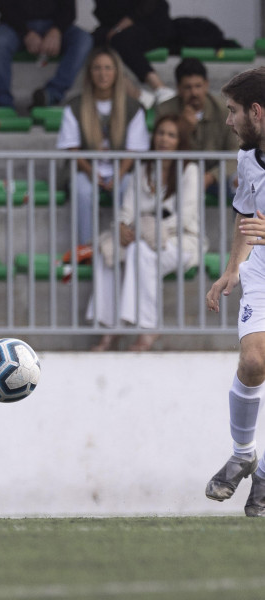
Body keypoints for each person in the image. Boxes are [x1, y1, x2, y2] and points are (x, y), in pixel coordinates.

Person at [86, 115, 205, 352]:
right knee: (108, 252)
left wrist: (154, 229)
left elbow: (186, 217)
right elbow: (127, 210)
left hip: (180, 240)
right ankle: (110, 329)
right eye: (160, 133)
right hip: (141, 235)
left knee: (140, 252)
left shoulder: (189, 170)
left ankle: (147, 329)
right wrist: (122, 226)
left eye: (171, 135)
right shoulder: (142, 170)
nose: (164, 139)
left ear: (180, 141)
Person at [205, 66, 265, 518]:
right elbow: (247, 217)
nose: (227, 121)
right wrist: (233, 268)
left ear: (257, 112)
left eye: (232, 111)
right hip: (262, 274)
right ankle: (243, 454)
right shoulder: (248, 158)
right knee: (253, 360)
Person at [56, 47, 149, 246]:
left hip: (123, 170)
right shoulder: (75, 105)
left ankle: (126, 245)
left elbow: (134, 150)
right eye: (97, 68)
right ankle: (86, 247)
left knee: (127, 187)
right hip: (86, 170)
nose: (102, 73)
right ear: (89, 73)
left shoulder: (132, 107)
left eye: (108, 68)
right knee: (82, 189)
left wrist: (120, 173)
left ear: (117, 72)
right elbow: (72, 148)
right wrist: (91, 171)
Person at [0, 0, 93, 110]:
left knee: (83, 40)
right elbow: (5, 7)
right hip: (15, 28)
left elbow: (69, 10)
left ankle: (52, 94)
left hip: (54, 26)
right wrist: (26, 33)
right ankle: (2, 104)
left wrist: (56, 31)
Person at [155, 57, 237, 196]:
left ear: (206, 85)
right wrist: (184, 130)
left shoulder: (225, 110)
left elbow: (236, 153)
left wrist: (211, 177)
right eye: (188, 87)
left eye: (198, 86)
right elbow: (160, 154)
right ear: (178, 88)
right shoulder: (165, 110)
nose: (194, 93)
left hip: (218, 177)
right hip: (178, 176)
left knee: (243, 185)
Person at [91, 0, 176, 109]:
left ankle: (160, 87)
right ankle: (138, 95)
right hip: (117, 27)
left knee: (120, 40)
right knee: (92, 43)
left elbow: (148, 5)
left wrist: (118, 28)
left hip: (150, 22)